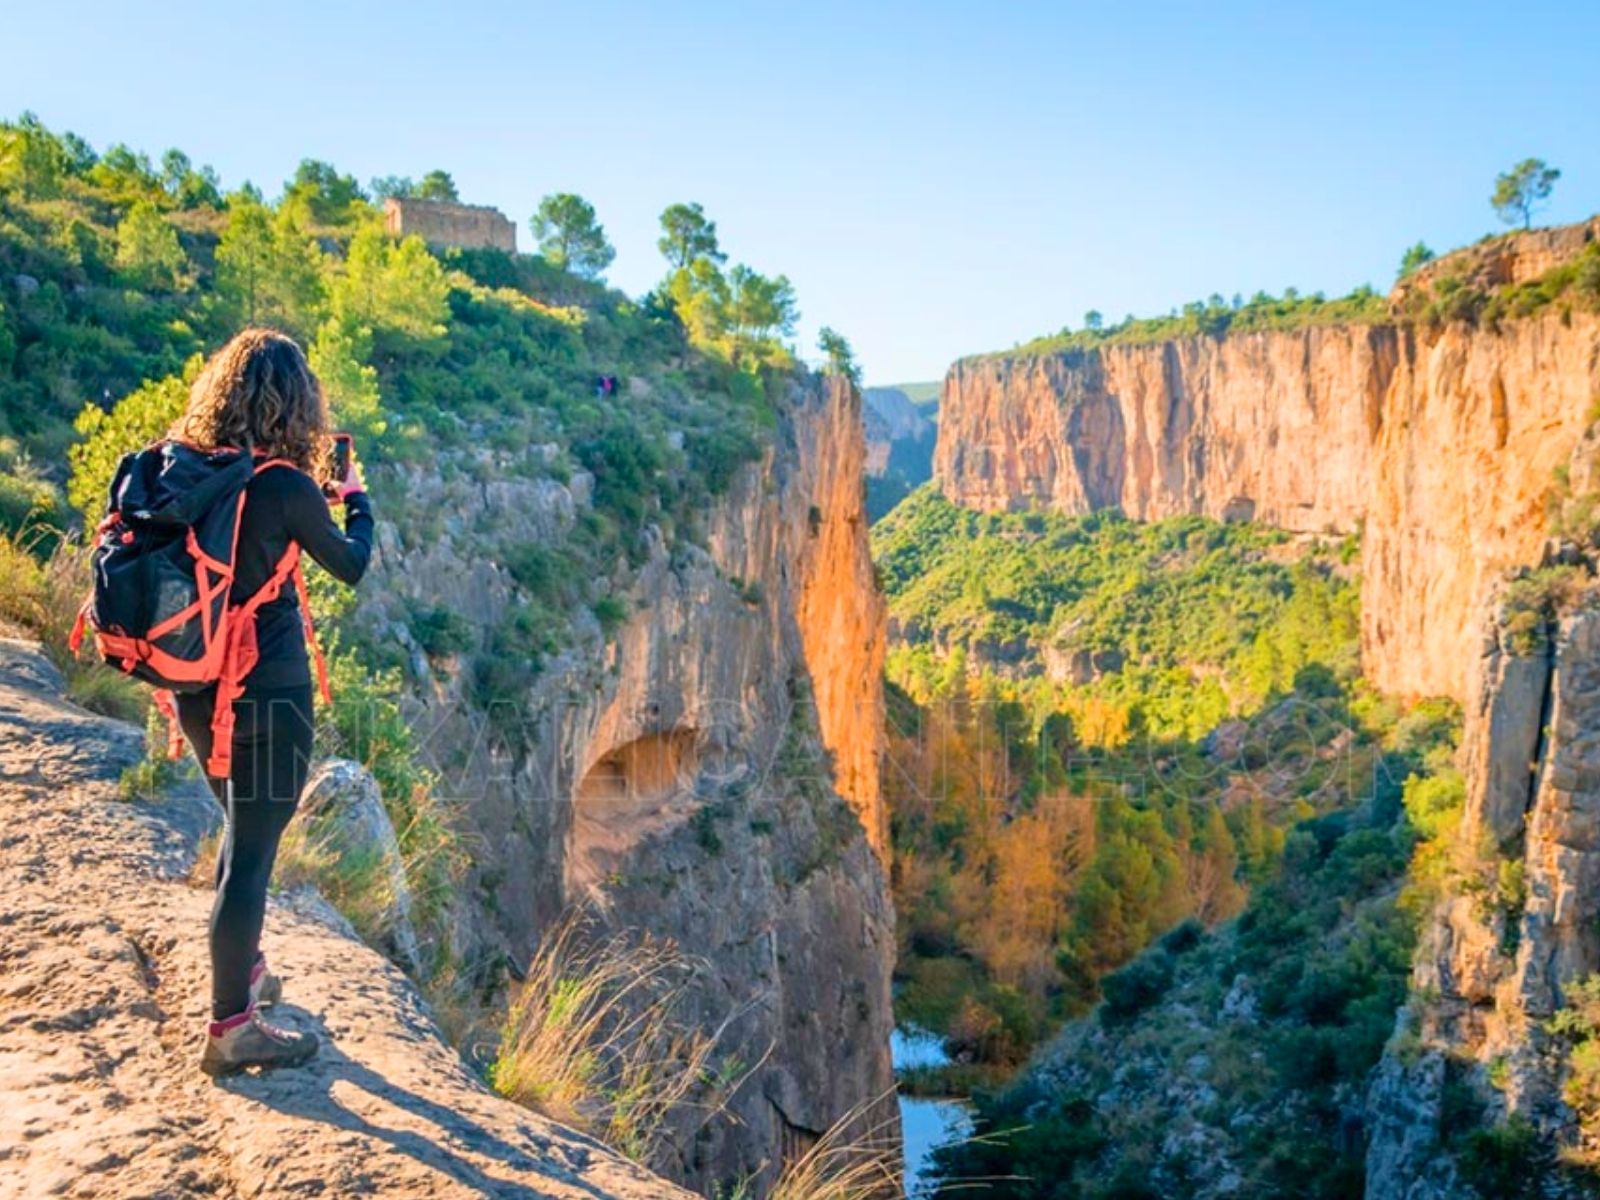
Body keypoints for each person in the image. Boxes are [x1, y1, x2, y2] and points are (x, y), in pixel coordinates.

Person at [168, 329, 373, 1076]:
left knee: (239, 831)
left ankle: (245, 974)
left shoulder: (193, 470)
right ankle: (232, 1028)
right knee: (252, 857)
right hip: (268, 690)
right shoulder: (285, 484)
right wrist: (356, 502)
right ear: (300, 406)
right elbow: (349, 566)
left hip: (196, 688)